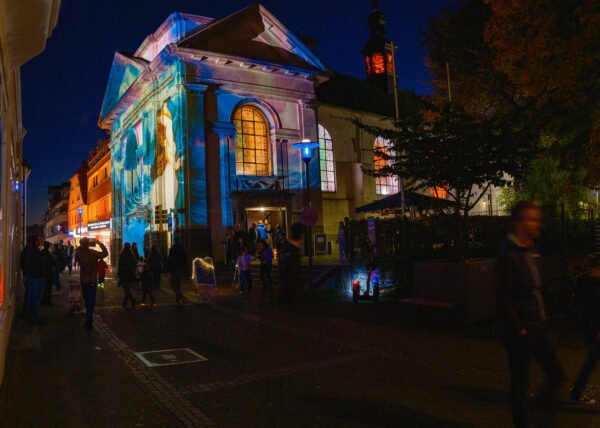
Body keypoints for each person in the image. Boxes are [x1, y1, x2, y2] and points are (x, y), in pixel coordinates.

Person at [495, 201, 564, 427]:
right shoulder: (509, 256)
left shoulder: (532, 251)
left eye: (537, 219)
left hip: (539, 325)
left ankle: (540, 418)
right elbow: (503, 295)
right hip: (521, 331)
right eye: (531, 219)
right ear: (517, 223)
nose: (537, 224)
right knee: (520, 385)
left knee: (556, 375)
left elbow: (537, 288)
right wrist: (519, 328)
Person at [569, 253, 600, 404]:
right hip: (594, 331)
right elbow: (593, 311)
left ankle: (576, 392)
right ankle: (576, 392)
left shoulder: (588, 282)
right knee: (590, 363)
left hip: (591, 330)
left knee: (590, 363)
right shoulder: (592, 287)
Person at [75, 237, 109, 330]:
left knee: (86, 300)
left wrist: (82, 246)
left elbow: (76, 251)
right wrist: (99, 243)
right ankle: (89, 318)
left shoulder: (79, 253)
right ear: (88, 244)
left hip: (84, 281)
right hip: (92, 280)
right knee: (91, 300)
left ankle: (88, 318)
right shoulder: (93, 253)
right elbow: (105, 253)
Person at [20, 236, 46, 325]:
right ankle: (35, 318)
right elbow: (38, 265)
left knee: (30, 297)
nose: (39, 241)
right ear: (35, 241)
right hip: (37, 277)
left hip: (30, 277)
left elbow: (23, 264)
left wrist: (25, 274)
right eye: (38, 240)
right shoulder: (35, 251)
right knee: (35, 299)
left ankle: (29, 316)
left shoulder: (26, 251)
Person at [279, 222, 304, 307]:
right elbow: (285, 268)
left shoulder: (289, 249)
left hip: (289, 286)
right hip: (289, 286)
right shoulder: (291, 250)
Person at [166, 237, 187, 303]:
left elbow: (169, 260)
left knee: (172, 283)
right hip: (180, 269)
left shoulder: (172, 249)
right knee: (178, 283)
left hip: (174, 269)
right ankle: (178, 297)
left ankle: (178, 295)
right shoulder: (182, 249)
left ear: (174, 241)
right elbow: (184, 259)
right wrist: (185, 268)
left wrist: (168, 269)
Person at [118, 243, 138, 308]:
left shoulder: (123, 254)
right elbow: (134, 263)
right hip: (130, 273)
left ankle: (132, 300)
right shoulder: (131, 254)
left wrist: (119, 273)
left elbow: (120, 264)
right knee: (127, 288)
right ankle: (125, 303)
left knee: (126, 288)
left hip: (124, 274)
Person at [40, 241, 56, 305]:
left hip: (43, 272)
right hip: (48, 273)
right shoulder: (48, 253)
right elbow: (52, 262)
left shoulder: (41, 252)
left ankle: (44, 300)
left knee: (44, 288)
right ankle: (46, 301)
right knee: (48, 288)